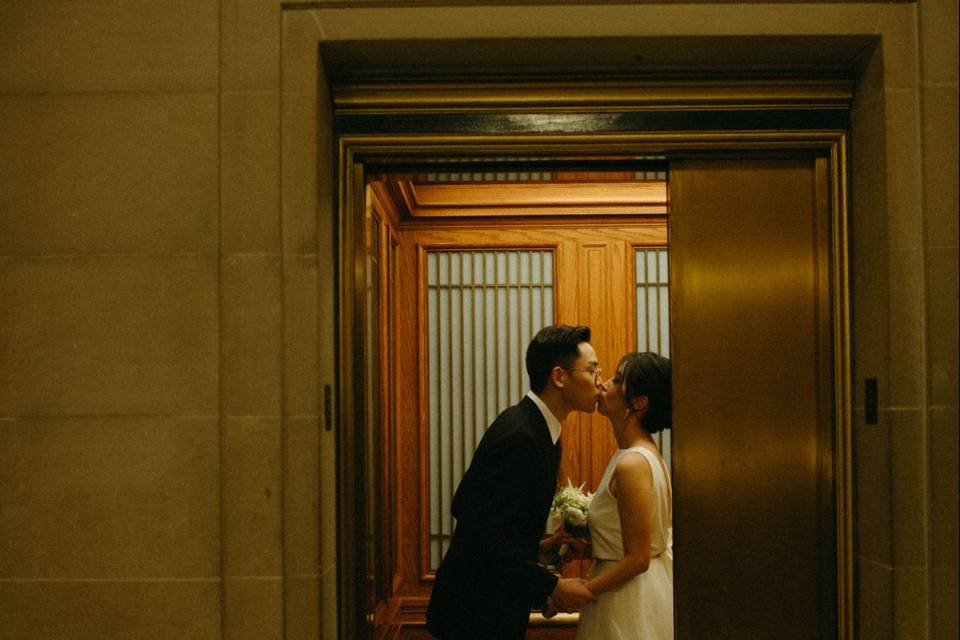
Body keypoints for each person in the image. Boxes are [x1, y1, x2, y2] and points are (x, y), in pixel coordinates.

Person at [426, 324, 600, 640]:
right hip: (473, 612)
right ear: (559, 377)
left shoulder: (542, 430)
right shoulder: (521, 434)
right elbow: (478, 529)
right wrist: (552, 586)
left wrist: (535, 549)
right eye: (592, 371)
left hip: (495, 604)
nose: (600, 384)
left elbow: (499, 527)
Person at [567, 351, 674, 639]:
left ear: (638, 403)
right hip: (632, 589)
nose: (604, 384)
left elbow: (639, 557)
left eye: (618, 379)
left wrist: (581, 592)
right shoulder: (640, 455)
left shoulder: (633, 462)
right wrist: (591, 549)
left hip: (627, 597)